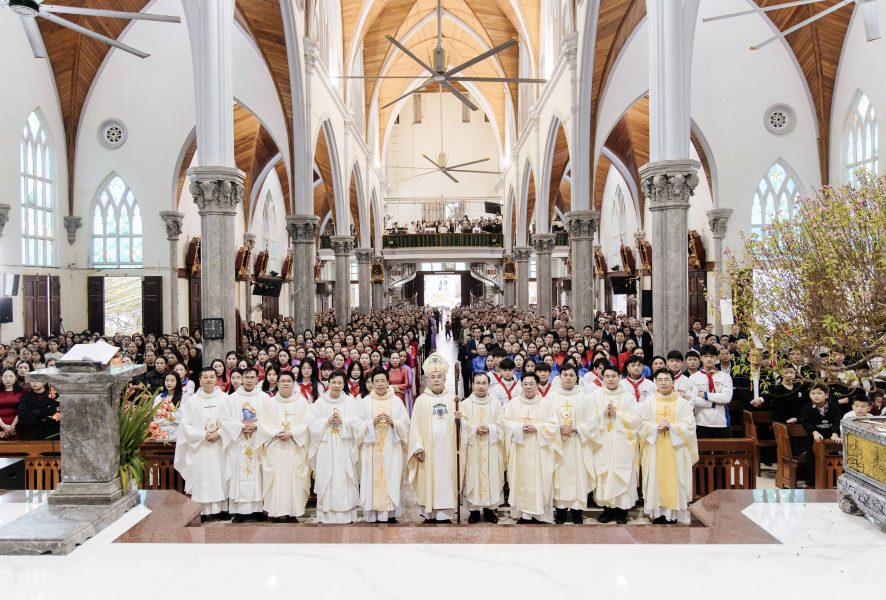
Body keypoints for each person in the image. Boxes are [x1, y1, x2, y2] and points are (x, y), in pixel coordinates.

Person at [638, 370, 698, 524]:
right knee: (655, 481)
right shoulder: (649, 402)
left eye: (666, 379)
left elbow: (690, 426)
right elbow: (641, 424)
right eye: (660, 380)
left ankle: (673, 515)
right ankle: (658, 514)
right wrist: (655, 427)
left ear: (673, 382)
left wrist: (672, 427)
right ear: (655, 383)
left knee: (676, 480)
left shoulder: (682, 403)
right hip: (654, 448)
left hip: (676, 450)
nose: (663, 383)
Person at [408, 354, 460, 523]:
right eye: (432, 377)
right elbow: (414, 426)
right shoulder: (421, 401)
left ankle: (445, 514)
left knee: (447, 480)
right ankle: (428, 513)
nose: (436, 380)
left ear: (445, 379)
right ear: (427, 380)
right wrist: (417, 447)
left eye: (439, 377)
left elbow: (463, 428)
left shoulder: (453, 400)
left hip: (448, 452)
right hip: (427, 452)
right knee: (427, 481)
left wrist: (460, 421)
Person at [503, 372, 561, 523]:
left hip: (541, 451)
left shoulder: (546, 404)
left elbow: (554, 425)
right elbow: (506, 423)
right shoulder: (513, 403)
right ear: (521, 385)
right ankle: (523, 515)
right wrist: (519, 427)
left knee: (540, 482)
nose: (528, 387)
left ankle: (539, 515)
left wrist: (537, 428)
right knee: (520, 481)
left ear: (537, 385)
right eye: (525, 384)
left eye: (531, 384)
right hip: (520, 450)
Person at [356, 368, 410, 523]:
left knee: (391, 478)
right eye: (377, 381)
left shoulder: (396, 401)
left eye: (383, 381)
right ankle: (373, 514)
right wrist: (370, 423)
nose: (380, 384)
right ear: (372, 383)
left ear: (388, 382)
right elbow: (356, 424)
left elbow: (406, 423)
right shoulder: (365, 402)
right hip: (371, 448)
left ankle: (390, 514)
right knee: (371, 480)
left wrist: (394, 422)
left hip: (391, 448)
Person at [174, 367, 229, 521]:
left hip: (220, 445)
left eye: (212, 377)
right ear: (200, 380)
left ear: (216, 379)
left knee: (220, 476)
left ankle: (221, 509)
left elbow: (232, 422)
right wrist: (203, 434)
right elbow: (185, 426)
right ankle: (202, 511)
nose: (209, 380)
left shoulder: (225, 399)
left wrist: (219, 433)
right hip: (200, 446)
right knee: (202, 478)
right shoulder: (191, 402)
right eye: (206, 377)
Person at [589, 365, 640, 524]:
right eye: (607, 376)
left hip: (622, 444)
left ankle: (621, 512)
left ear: (620, 377)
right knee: (604, 475)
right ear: (602, 378)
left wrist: (617, 414)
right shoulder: (595, 396)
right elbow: (588, 419)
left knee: (621, 474)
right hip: (602, 443)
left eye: (613, 376)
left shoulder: (628, 397)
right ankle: (607, 510)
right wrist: (602, 414)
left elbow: (636, 419)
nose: (610, 379)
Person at [257, 371, 312, 522]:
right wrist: (276, 432)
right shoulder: (269, 403)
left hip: (295, 447)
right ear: (277, 383)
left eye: (289, 381)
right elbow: (263, 423)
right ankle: (276, 512)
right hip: (275, 446)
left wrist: (292, 433)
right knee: (276, 479)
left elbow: (307, 423)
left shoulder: (302, 402)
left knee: (295, 479)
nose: (286, 383)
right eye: (283, 381)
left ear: (294, 383)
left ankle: (293, 512)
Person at [308, 370, 361, 523]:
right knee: (327, 476)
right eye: (333, 382)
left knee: (345, 476)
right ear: (328, 384)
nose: (336, 385)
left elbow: (357, 423)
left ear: (344, 384)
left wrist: (344, 421)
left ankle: (347, 514)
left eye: (339, 382)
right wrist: (327, 421)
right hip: (326, 447)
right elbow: (311, 423)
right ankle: (325, 514)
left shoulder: (351, 402)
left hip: (345, 446)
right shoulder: (319, 403)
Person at [221, 367, 270, 523]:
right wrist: (240, 427)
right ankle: (240, 511)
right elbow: (224, 420)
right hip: (238, 442)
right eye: (246, 377)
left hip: (257, 441)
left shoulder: (264, 398)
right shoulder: (232, 399)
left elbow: (270, 419)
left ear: (257, 379)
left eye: (252, 377)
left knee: (258, 474)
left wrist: (257, 426)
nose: (249, 380)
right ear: (241, 378)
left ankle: (258, 509)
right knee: (239, 473)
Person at [459, 371, 505, 524]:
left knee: (491, 477)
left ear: (489, 385)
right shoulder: (464, 405)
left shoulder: (496, 404)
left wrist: (491, 429)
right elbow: (460, 427)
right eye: (477, 383)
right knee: (472, 477)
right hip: (472, 448)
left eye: (484, 383)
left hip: (491, 448)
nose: (481, 386)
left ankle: (489, 510)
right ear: (472, 384)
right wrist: (473, 430)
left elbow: (502, 425)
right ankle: (473, 511)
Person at [551, 365, 595, 525]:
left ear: (577, 378)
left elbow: (592, 422)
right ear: (559, 377)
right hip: (558, 444)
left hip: (578, 443)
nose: (568, 378)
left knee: (579, 477)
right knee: (559, 476)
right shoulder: (551, 397)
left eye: (571, 375)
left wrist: (576, 429)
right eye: (565, 375)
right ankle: (561, 511)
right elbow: (546, 420)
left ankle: (577, 512)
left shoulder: (584, 397)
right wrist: (558, 429)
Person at [799, 382, 842, 487]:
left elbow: (837, 421)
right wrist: (814, 432)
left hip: (830, 437)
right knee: (811, 459)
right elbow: (806, 423)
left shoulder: (834, 407)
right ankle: (811, 483)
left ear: (826, 395)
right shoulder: (806, 408)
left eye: (819, 393)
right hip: (814, 437)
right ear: (810, 395)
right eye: (813, 393)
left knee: (832, 457)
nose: (816, 396)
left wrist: (835, 434)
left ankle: (832, 482)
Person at [688, 344, 734, 438]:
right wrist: (714, 402)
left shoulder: (725, 377)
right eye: (706, 356)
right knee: (702, 448)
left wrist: (704, 394)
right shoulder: (693, 378)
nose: (709, 359)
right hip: (700, 421)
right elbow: (693, 399)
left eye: (712, 356)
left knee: (724, 447)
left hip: (721, 421)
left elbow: (726, 398)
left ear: (717, 358)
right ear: (701, 358)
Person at [0, 367, 24, 440]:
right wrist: (3, 426)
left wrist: (13, 425)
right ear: (1, 377)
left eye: (11, 376)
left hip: (16, 425)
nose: (8, 379)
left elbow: (22, 410)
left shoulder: (22, 392)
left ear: (16, 377)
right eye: (5, 377)